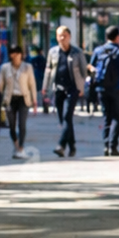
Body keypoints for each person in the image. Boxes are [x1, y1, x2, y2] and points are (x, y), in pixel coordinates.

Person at [42, 25, 87, 158]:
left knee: (67, 116)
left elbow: (84, 71)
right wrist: (45, 87)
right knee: (63, 119)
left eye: (64, 36)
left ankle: (61, 145)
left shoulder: (77, 52)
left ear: (69, 37)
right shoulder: (53, 52)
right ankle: (72, 145)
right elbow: (48, 69)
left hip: (73, 89)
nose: (62, 38)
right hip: (59, 88)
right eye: (59, 36)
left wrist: (81, 87)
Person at [88, 27, 119, 156]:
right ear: (117, 37)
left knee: (106, 117)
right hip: (118, 88)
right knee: (117, 117)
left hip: (101, 88)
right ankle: (112, 146)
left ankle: (105, 145)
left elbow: (91, 67)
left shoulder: (98, 50)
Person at [0, 46, 36, 159]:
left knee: (22, 124)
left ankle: (21, 148)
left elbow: (32, 84)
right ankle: (16, 145)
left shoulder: (28, 67)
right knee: (12, 126)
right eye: (12, 53)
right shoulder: (5, 68)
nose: (15, 56)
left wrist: (35, 101)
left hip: (24, 98)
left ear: (21, 55)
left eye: (17, 53)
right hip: (10, 99)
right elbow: (0, 84)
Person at [27, 44, 47, 114]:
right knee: (43, 92)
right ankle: (45, 107)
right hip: (41, 76)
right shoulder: (42, 59)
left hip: (36, 76)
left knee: (35, 91)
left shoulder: (33, 59)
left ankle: (34, 106)